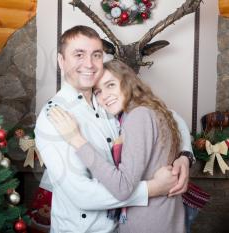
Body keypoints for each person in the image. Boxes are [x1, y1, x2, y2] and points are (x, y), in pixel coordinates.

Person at [34, 25, 194, 233]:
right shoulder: (54, 116)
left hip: (121, 226)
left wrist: (184, 155)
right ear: (61, 61)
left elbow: (168, 115)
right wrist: (152, 189)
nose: (89, 64)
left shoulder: (105, 99)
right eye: (79, 55)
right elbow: (82, 193)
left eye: (96, 55)